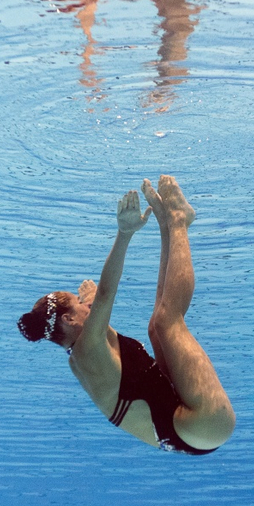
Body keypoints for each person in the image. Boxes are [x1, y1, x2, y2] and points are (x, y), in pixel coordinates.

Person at [17, 175, 235, 455]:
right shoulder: (86, 350)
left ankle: (169, 225)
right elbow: (106, 295)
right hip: (203, 423)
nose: (86, 305)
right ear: (68, 320)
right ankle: (180, 218)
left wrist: (162, 227)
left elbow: (101, 311)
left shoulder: (85, 356)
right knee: (170, 321)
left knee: (157, 326)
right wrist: (124, 233)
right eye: (78, 303)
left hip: (190, 428)